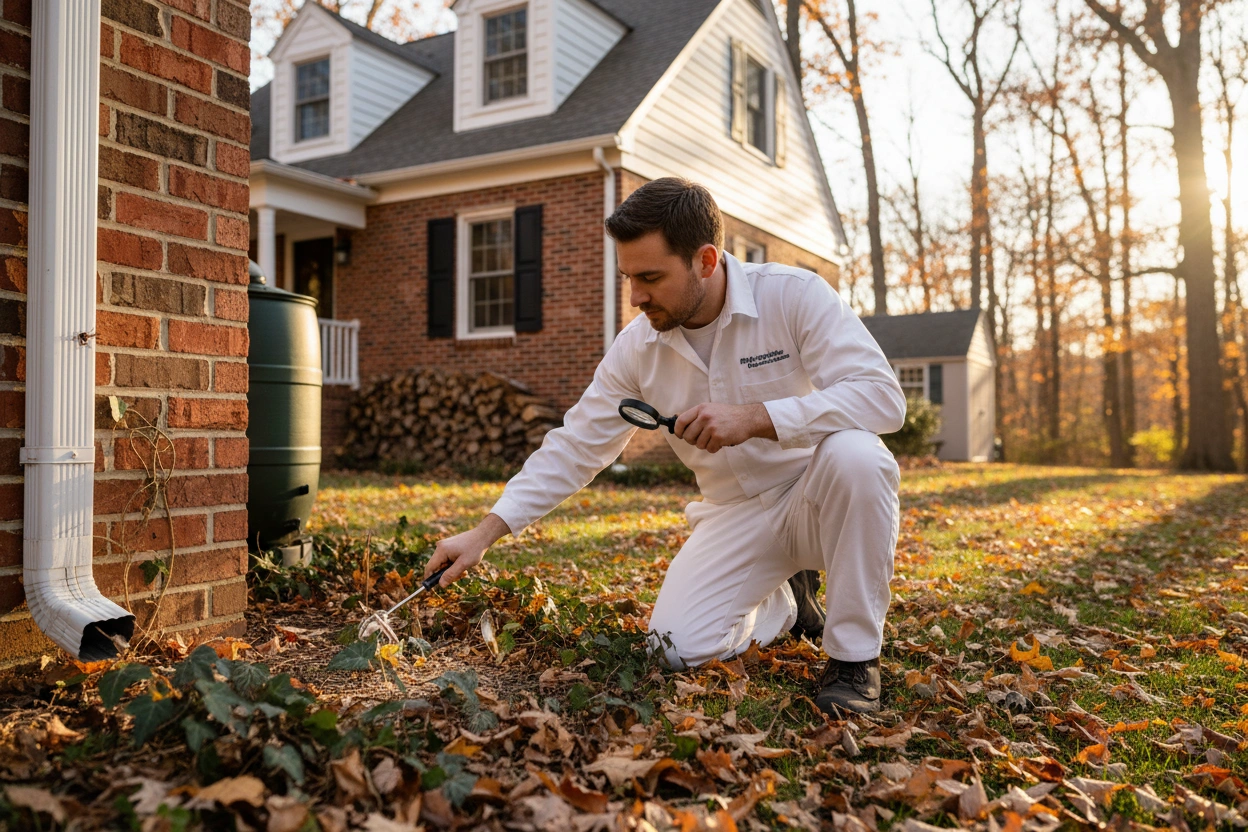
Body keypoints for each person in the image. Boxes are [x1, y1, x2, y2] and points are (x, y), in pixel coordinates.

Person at [423, 177, 906, 715]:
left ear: (705, 260)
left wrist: (757, 418)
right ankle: (788, 602)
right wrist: (485, 533)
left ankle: (854, 659)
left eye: (650, 277)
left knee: (860, 457)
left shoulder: (793, 296)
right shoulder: (637, 348)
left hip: (821, 493)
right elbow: (575, 445)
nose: (636, 297)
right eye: (628, 277)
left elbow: (883, 399)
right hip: (734, 513)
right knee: (675, 650)